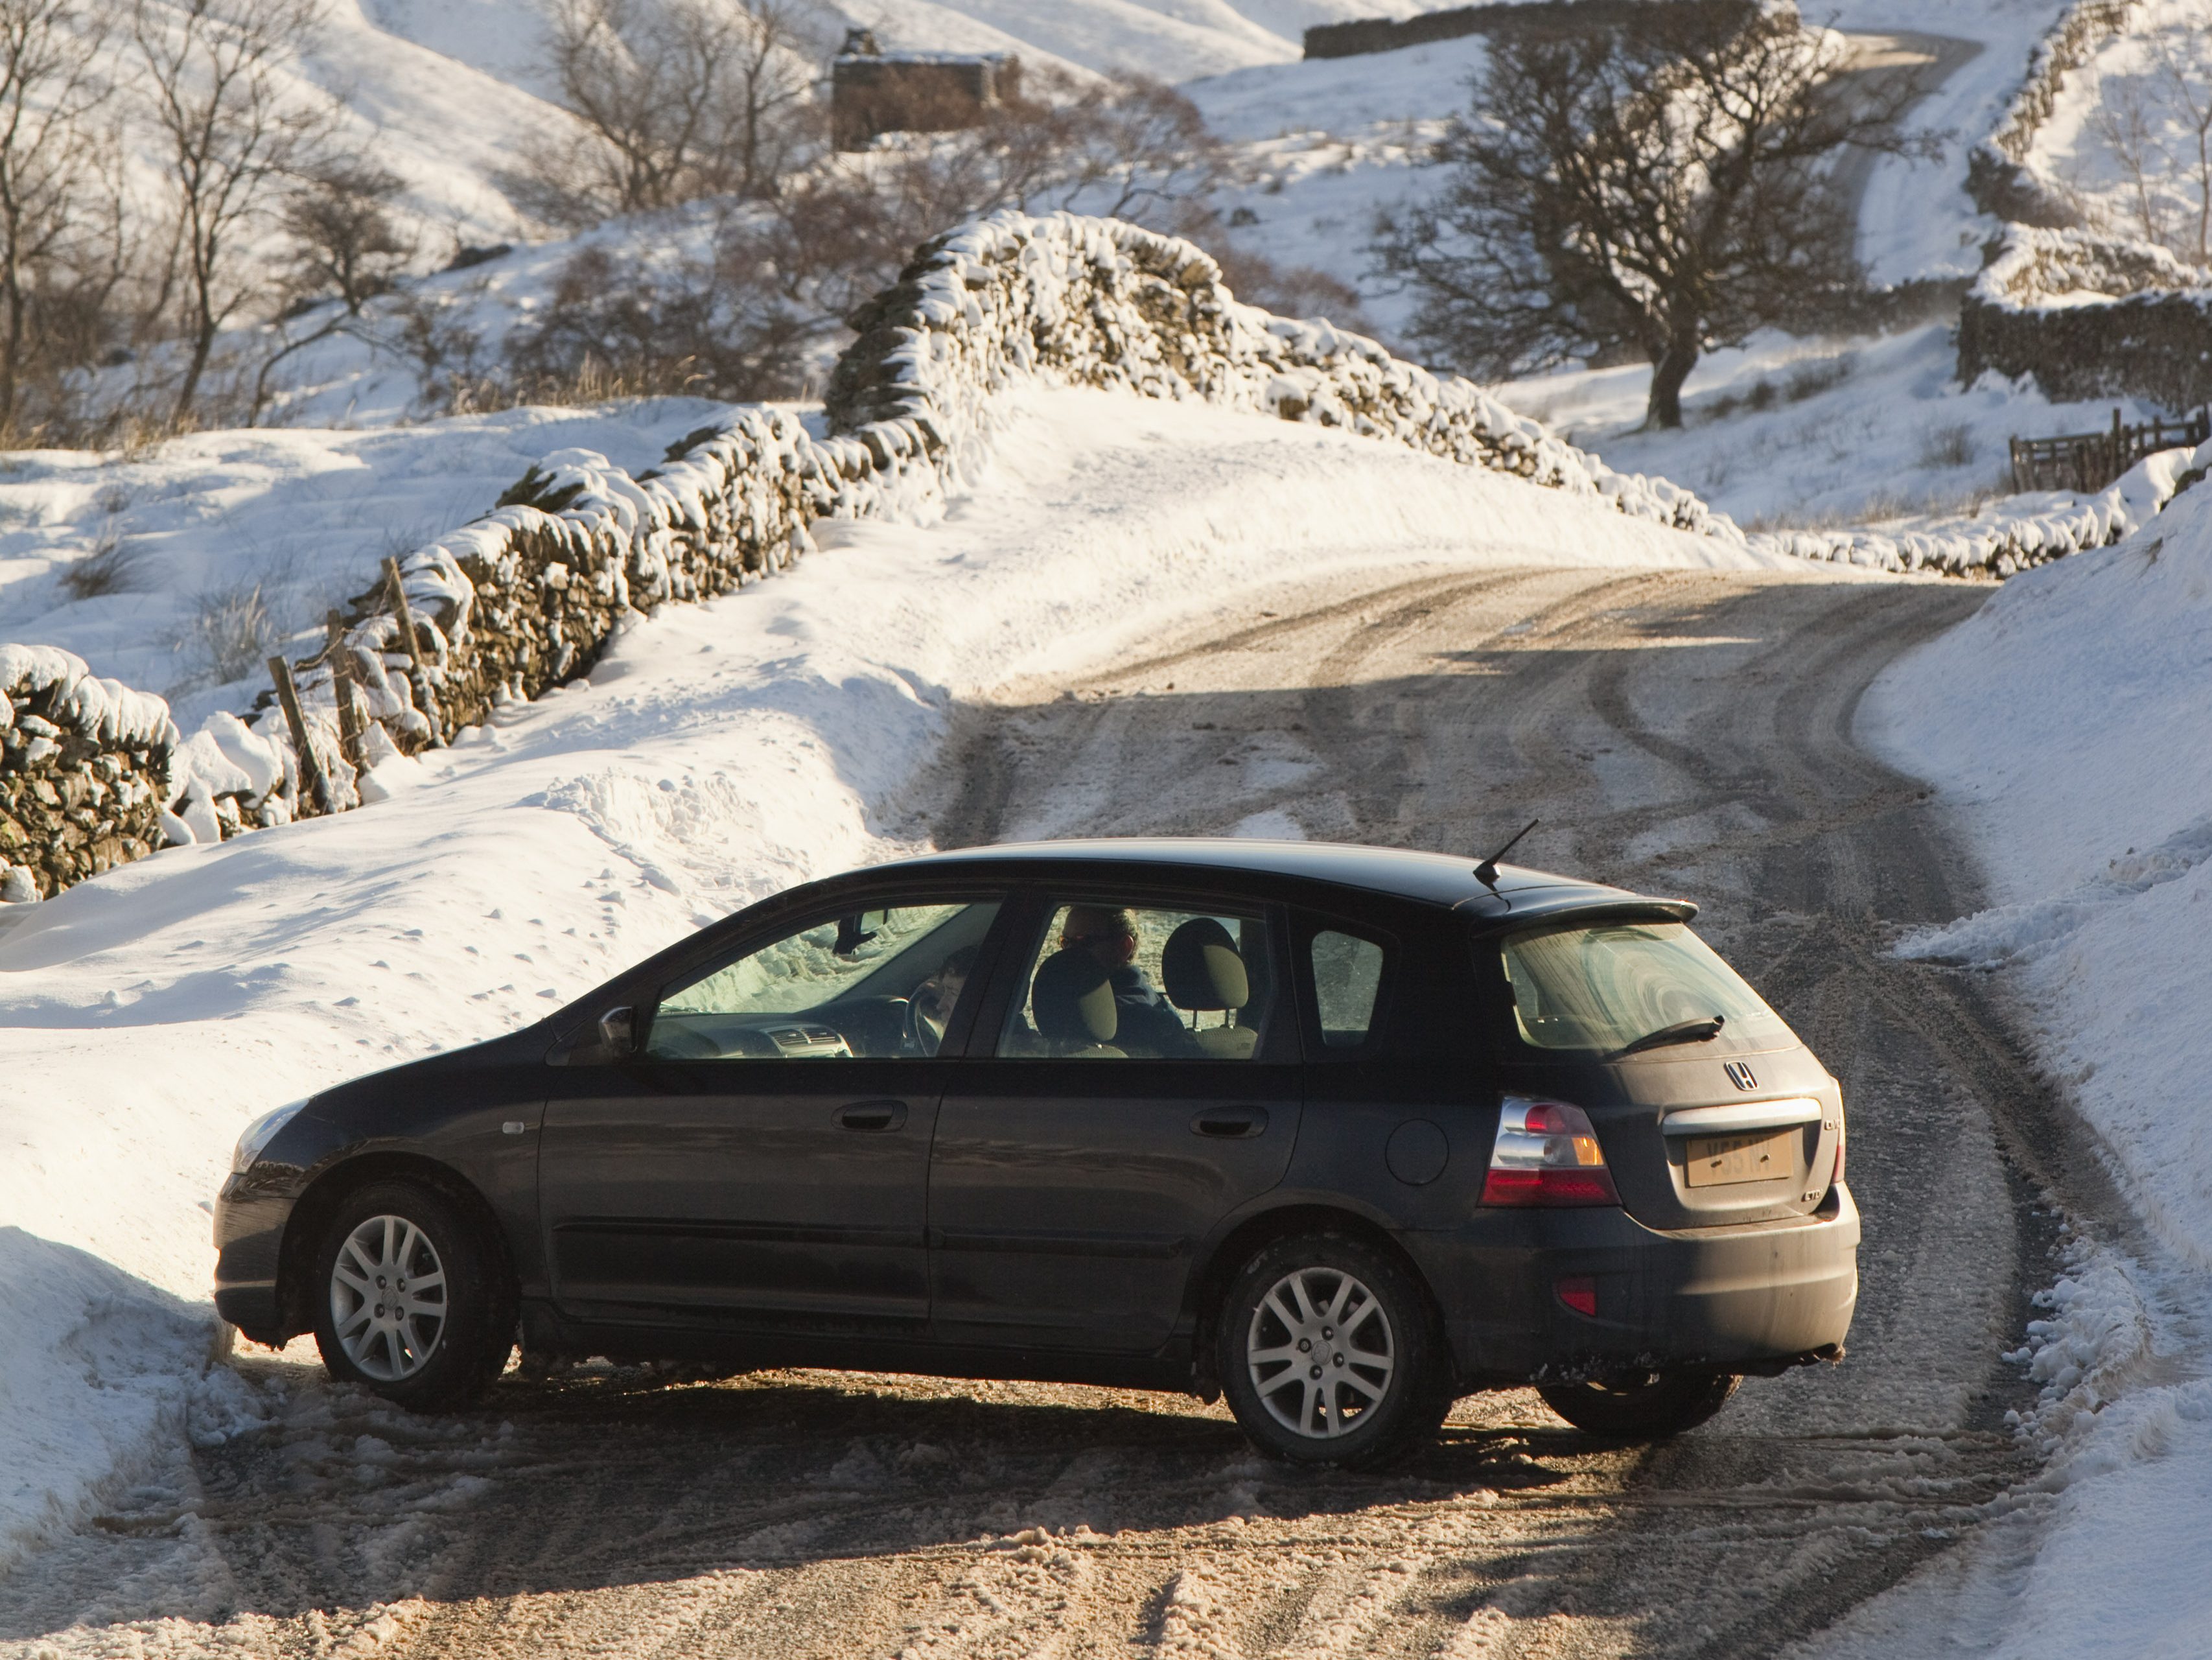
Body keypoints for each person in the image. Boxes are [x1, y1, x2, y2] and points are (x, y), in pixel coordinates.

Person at [1055, 905, 1200, 1058]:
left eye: (1082, 942)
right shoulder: (1155, 1003)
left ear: (1124, 947)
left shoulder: (1116, 1022)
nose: (1068, 953)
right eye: (1065, 942)